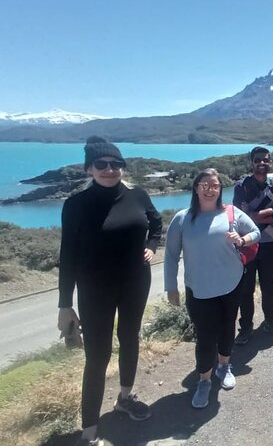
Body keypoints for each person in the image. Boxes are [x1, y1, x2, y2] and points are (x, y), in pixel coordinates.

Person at [57, 136, 162, 446]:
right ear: (89, 168)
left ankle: (125, 398)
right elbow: (68, 255)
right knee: (97, 355)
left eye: (116, 164)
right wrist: (65, 304)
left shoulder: (137, 195)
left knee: (130, 338)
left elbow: (155, 222)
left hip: (135, 282)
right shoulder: (75, 205)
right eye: (101, 164)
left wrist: (152, 246)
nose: (109, 169)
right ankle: (89, 430)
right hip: (94, 290)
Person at [165, 169, 260, 409]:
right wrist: (171, 287)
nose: (210, 189)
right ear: (196, 188)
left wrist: (242, 240)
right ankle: (204, 380)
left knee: (228, 326)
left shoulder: (231, 213)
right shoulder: (182, 218)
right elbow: (171, 256)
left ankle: (224, 365)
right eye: (204, 184)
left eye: (215, 185)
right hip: (199, 289)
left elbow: (256, 232)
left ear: (220, 189)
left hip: (231, 283)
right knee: (205, 336)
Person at [233, 146, 273, 344]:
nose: (262, 163)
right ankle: (246, 328)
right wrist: (268, 213)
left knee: (268, 287)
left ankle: (271, 323)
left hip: (269, 244)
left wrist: (255, 215)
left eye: (265, 159)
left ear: (270, 162)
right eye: (258, 160)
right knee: (246, 290)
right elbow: (237, 217)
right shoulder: (242, 186)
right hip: (247, 245)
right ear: (251, 162)